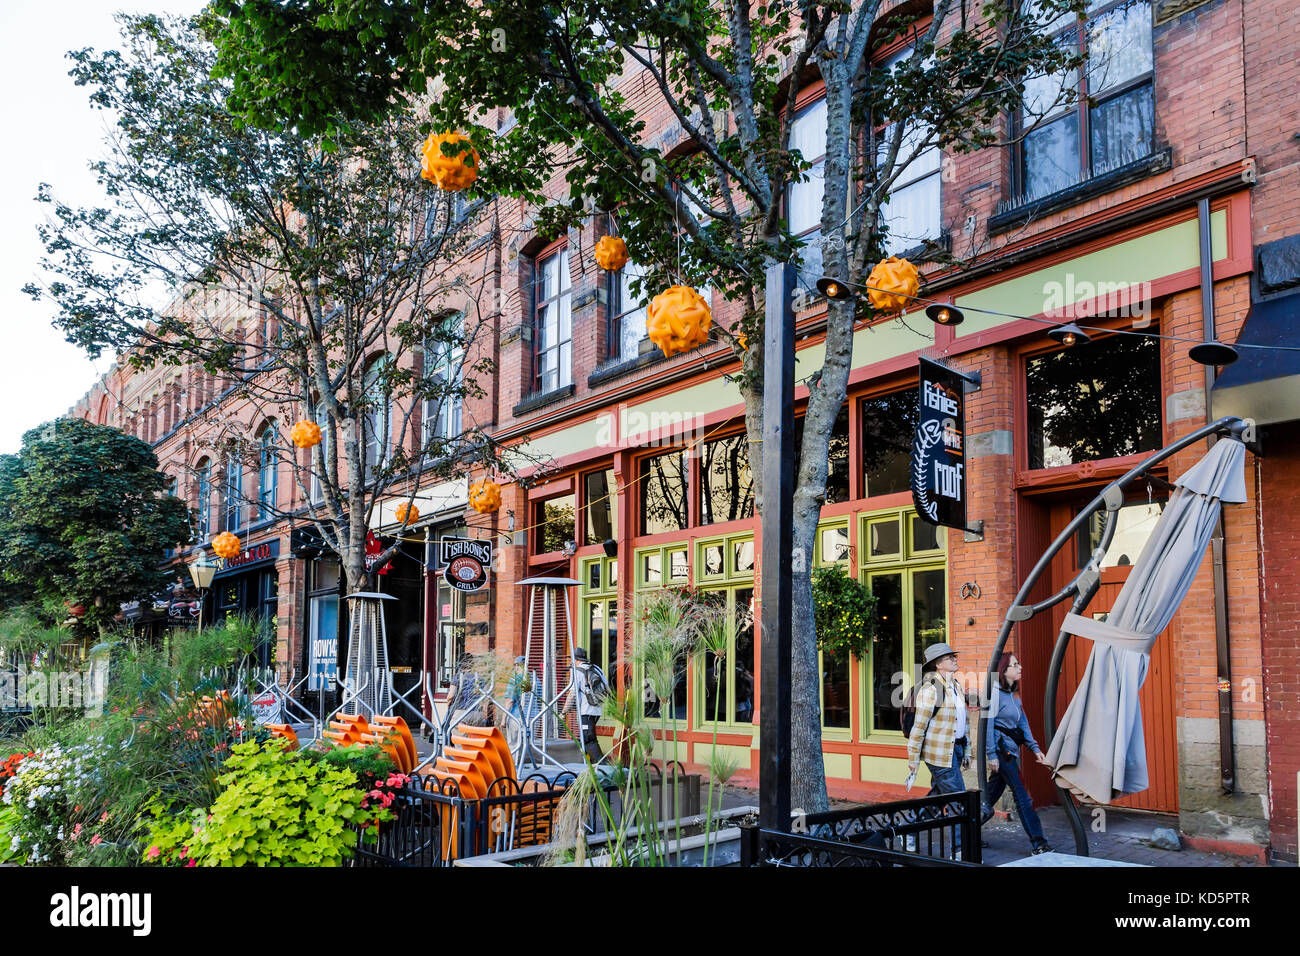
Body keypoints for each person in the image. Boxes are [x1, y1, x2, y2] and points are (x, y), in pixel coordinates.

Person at [982, 652, 1053, 855]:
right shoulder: (993, 693)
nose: (1020, 667)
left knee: (989, 798)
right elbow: (986, 725)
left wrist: (1035, 748)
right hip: (1002, 753)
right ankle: (1039, 843)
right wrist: (991, 755)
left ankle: (963, 833)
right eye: (1015, 665)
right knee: (1023, 796)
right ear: (1004, 670)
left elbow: (1023, 722)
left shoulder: (1013, 693)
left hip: (1010, 750)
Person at [906, 643, 971, 854]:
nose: (954, 659)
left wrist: (967, 750)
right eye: (949, 657)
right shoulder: (931, 689)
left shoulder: (956, 686)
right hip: (939, 754)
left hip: (956, 749)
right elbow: (919, 727)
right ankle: (959, 850)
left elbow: (963, 721)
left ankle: (909, 828)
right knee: (958, 800)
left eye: (954, 655)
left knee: (938, 799)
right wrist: (913, 758)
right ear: (938, 664)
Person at [565, 646, 608, 764]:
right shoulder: (597, 668)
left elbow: (572, 693)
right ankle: (588, 765)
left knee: (588, 739)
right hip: (598, 710)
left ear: (576, 659)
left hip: (586, 711)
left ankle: (602, 766)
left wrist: (564, 711)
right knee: (585, 738)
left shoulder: (577, 671)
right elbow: (607, 688)